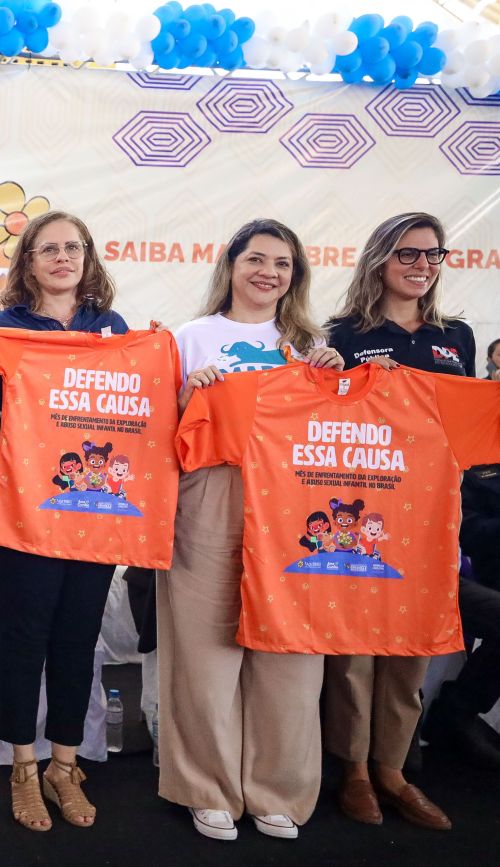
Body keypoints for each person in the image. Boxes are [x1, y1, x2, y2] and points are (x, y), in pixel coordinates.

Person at [156, 219, 342, 842]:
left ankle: (278, 788)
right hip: (211, 491)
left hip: (295, 501)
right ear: (231, 265)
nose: (269, 272)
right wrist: (188, 396)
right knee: (204, 645)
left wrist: (335, 381)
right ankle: (206, 787)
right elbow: (157, 432)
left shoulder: (310, 344)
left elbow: (333, 434)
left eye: (283, 263)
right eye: (256, 259)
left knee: (292, 647)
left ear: (296, 276)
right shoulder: (190, 338)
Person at [0, 210, 128, 832]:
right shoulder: (2, 330)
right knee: (23, 635)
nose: (62, 258)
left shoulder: (112, 329)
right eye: (48, 249)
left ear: (88, 258)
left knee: (78, 636)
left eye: (73, 248)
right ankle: (23, 768)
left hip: (91, 508)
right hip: (18, 502)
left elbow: (133, 413)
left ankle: (64, 764)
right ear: (27, 261)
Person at [323, 212, 468, 831]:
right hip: (360, 510)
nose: (422, 266)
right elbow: (322, 421)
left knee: (411, 645)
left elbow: (464, 426)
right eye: (408, 254)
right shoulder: (343, 333)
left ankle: (394, 770)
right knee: (355, 649)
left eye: (433, 255)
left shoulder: (456, 336)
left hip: (431, 513)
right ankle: (354, 770)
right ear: (379, 259)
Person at [424, 462, 500, 769]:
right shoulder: (478, 468)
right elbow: (464, 528)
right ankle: (456, 712)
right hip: (469, 573)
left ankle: (457, 713)